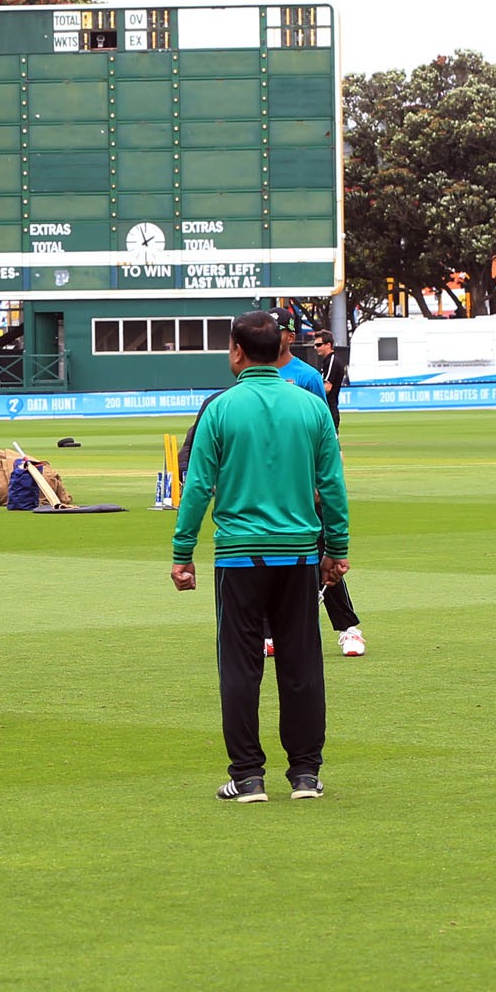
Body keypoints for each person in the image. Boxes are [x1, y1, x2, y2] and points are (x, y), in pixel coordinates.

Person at [171, 310, 350, 802]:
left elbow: (197, 487)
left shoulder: (221, 408)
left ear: (237, 350)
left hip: (238, 558)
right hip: (298, 556)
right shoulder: (311, 406)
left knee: (240, 666)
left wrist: (182, 552)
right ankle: (305, 775)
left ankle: (248, 776)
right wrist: (337, 549)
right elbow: (332, 485)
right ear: (282, 348)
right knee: (302, 663)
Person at [312, 329, 348, 425]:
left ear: (328, 345)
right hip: (325, 409)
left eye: (319, 345)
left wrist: (310, 395)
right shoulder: (327, 361)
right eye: (315, 345)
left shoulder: (332, 361)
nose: (316, 348)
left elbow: (327, 387)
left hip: (329, 410)